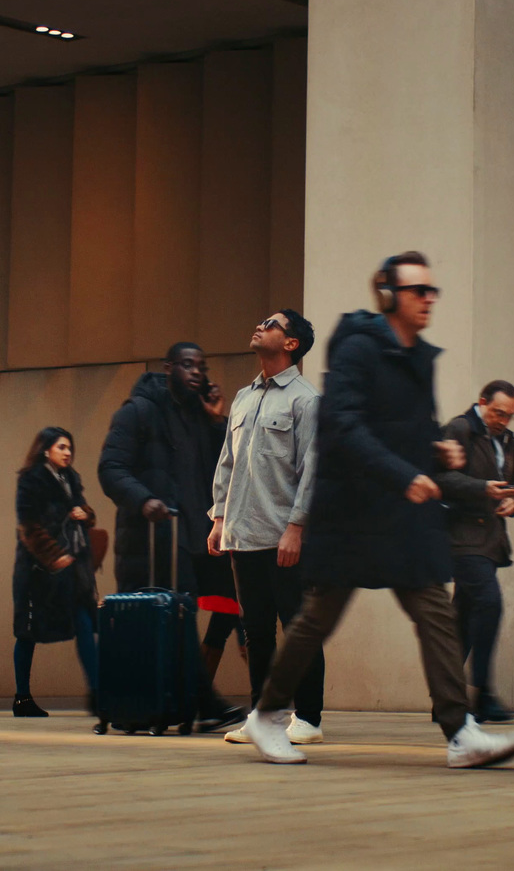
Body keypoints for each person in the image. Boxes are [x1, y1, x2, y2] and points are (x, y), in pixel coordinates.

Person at [240, 252, 514, 768]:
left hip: (401, 516)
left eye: (432, 291)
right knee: (314, 621)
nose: (429, 300)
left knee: (435, 611)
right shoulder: (358, 348)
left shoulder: (417, 355)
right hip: (351, 513)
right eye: (419, 291)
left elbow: (406, 429)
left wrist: (437, 454)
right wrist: (406, 474)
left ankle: (459, 730)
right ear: (391, 296)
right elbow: (345, 426)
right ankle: (266, 716)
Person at [98, 342, 247, 733]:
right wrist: (144, 500)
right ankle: (200, 703)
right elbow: (111, 468)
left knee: (224, 605)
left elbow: (218, 471)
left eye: (202, 365)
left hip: (194, 538)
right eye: (187, 365)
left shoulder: (198, 416)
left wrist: (217, 422)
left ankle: (186, 703)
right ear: (168, 369)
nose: (196, 372)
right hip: (150, 541)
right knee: (171, 624)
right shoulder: (140, 411)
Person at [208, 310, 327, 747]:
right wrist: (220, 517)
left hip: (284, 536)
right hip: (243, 533)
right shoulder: (243, 397)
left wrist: (296, 527)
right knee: (255, 631)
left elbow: (312, 470)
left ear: (291, 343)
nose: (259, 325)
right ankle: (264, 716)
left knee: (297, 627)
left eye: (271, 323)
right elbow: (227, 462)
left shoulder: (306, 400)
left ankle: (309, 717)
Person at [435, 380, 514, 723]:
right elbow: (441, 478)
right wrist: (482, 489)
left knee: (462, 618)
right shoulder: (460, 429)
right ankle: (483, 695)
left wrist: (513, 499)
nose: (503, 420)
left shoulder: (506, 438)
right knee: (489, 603)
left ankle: (444, 698)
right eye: (498, 412)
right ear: (482, 402)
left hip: (490, 539)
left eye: (509, 415)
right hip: (461, 538)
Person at [13, 426, 103, 732]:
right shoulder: (31, 479)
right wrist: (53, 556)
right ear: (46, 449)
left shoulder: (70, 478)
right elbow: (28, 526)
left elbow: (84, 512)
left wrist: (86, 514)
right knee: (27, 632)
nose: (67, 452)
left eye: (69, 448)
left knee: (85, 624)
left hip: (72, 571)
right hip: (38, 571)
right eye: (61, 447)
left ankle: (98, 692)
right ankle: (22, 697)